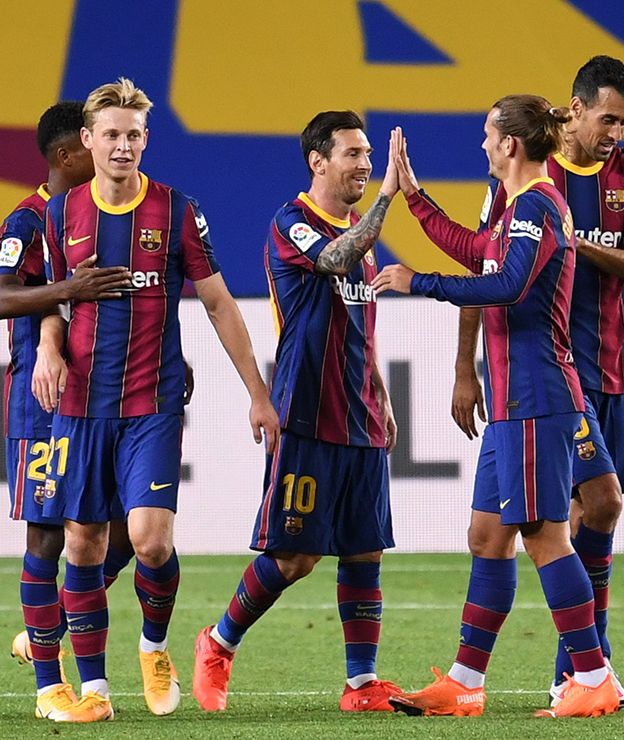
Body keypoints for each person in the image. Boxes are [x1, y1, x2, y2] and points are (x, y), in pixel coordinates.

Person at [32, 78, 279, 722]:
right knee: (82, 543)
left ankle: (153, 646)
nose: (121, 146)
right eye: (110, 134)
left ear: (147, 140)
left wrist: (258, 391)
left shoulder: (176, 211)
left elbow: (220, 303)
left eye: (133, 135)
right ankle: (94, 692)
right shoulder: (60, 216)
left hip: (152, 401)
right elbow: (56, 300)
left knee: (150, 542)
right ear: (87, 141)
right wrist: (46, 348)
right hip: (80, 405)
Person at [372, 95, 620, 719]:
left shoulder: (536, 204)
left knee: (544, 537)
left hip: (537, 397)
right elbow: (475, 250)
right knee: (487, 537)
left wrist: (417, 281)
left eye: (488, 135)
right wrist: (415, 198)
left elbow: (506, 287)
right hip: (515, 403)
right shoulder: (517, 208)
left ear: (510, 144)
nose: (482, 144)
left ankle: (592, 677)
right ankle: (464, 681)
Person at [451, 56, 624, 707]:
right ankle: (575, 672)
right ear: (575, 108)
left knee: (594, 510)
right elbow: (486, 271)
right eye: (606, 118)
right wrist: (465, 367)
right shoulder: (528, 180)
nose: (615, 132)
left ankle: (577, 668)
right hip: (537, 378)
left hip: (610, 370)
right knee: (521, 528)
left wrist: (569, 243)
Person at [192, 111, 402, 714]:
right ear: (318, 161)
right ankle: (219, 642)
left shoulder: (360, 231)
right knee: (295, 556)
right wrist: (388, 196)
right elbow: (336, 260)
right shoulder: (294, 222)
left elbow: (360, 319)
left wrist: (380, 391)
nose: (364, 164)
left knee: (365, 549)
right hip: (307, 412)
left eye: (368, 154)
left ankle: (361, 685)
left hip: (359, 411)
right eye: (353, 154)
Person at [0, 101, 132, 721]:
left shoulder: (104, 218)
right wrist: (70, 290)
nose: (110, 151)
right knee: (49, 534)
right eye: (96, 140)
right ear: (70, 152)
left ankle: (50, 625)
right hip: (45, 401)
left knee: (128, 529)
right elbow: (0, 297)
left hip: (108, 401)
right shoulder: (29, 217)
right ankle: (50, 689)